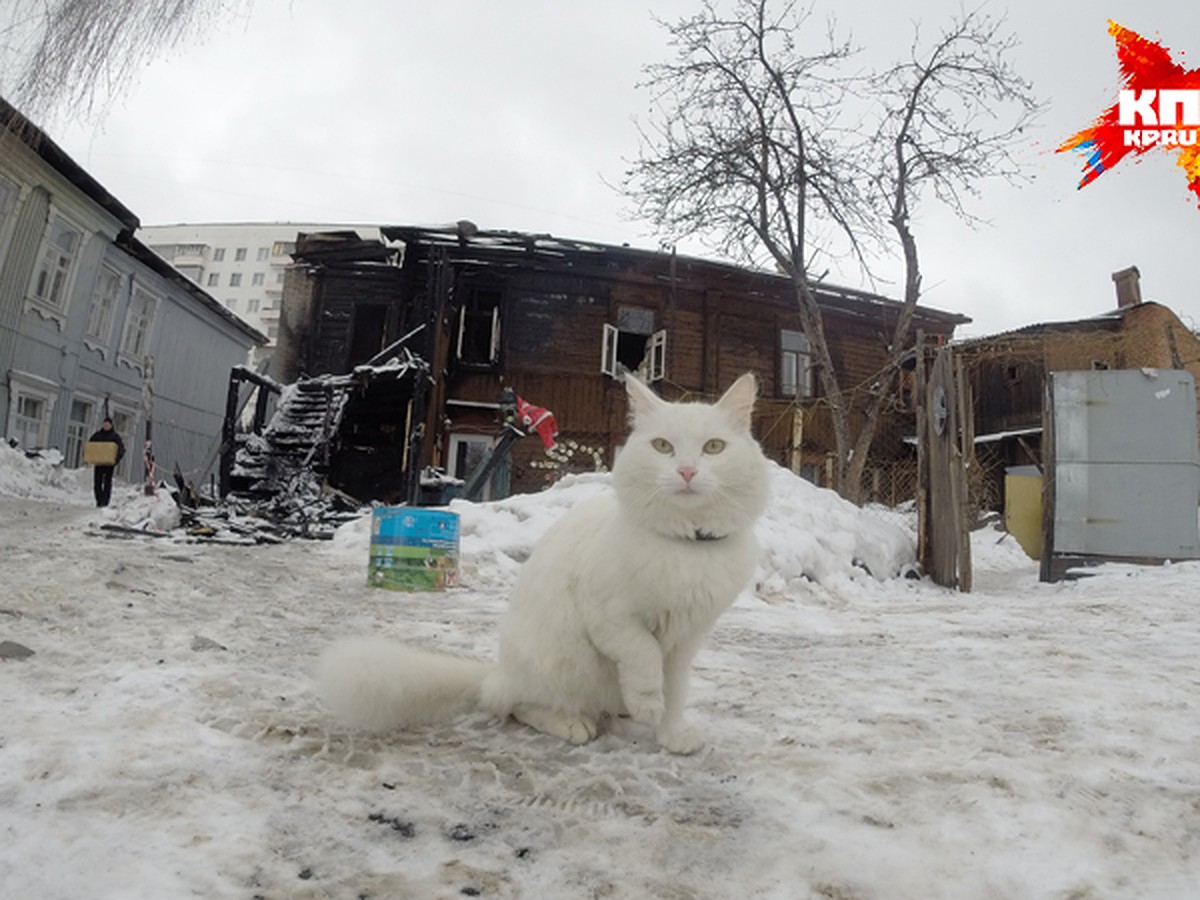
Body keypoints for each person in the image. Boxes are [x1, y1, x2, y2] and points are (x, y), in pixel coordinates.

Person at [88, 418, 125, 508]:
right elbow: (90, 446)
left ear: (111, 425)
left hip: (109, 463)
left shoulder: (115, 437)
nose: (106, 426)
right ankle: (99, 500)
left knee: (107, 482)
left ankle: (105, 501)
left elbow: (121, 449)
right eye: (104, 424)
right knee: (97, 482)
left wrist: (116, 459)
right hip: (99, 462)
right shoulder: (97, 435)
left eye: (107, 424)